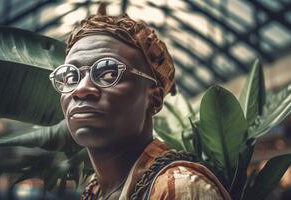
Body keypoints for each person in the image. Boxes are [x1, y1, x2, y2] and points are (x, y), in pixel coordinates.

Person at [49, 4, 231, 200]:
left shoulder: (179, 188)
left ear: (154, 97)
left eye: (108, 73)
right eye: (70, 77)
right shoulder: (96, 190)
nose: (81, 89)